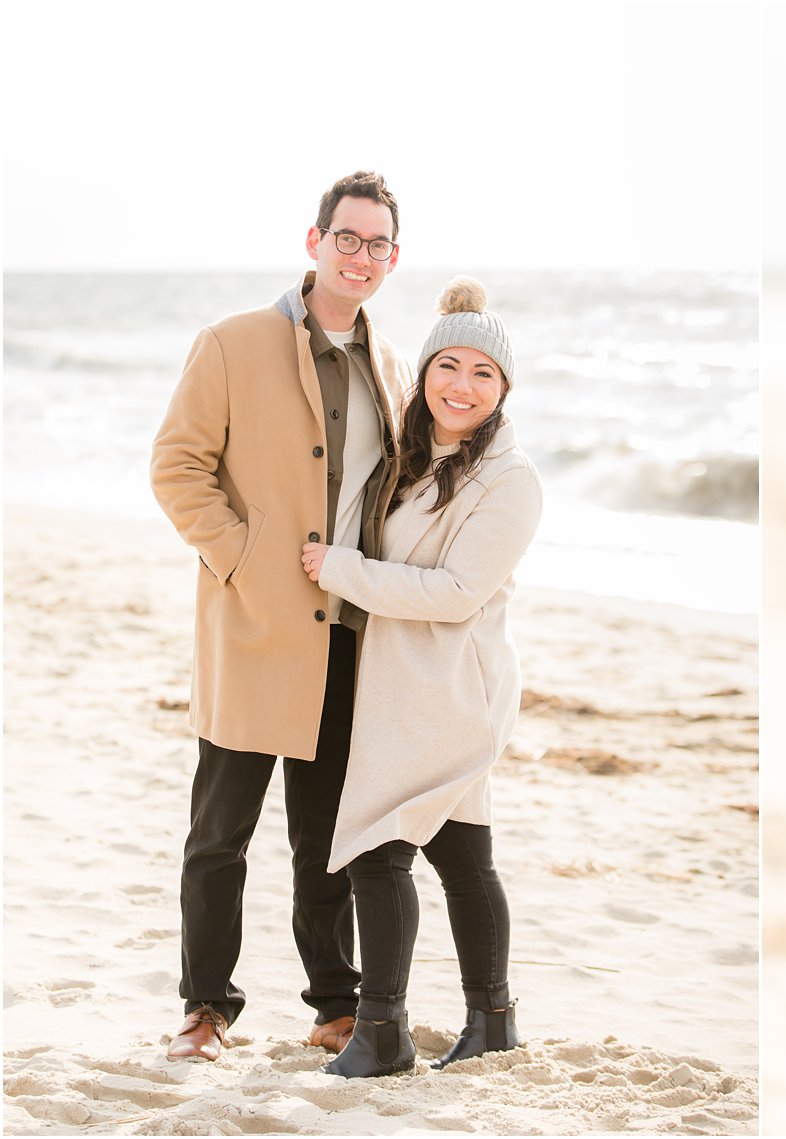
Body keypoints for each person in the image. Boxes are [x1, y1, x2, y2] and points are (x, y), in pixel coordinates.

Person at [150, 171, 409, 1062]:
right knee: (220, 832)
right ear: (314, 241)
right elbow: (177, 466)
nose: (361, 256)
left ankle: (335, 1003)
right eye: (348, 237)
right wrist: (240, 560)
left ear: (393, 257)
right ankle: (204, 1007)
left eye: (378, 244)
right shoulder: (232, 342)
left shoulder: (393, 364)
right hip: (256, 625)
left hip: (346, 633)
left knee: (325, 835)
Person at [298, 277, 543, 1078]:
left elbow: (454, 593)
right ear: (428, 369)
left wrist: (340, 570)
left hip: (449, 688)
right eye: (450, 366)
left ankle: (383, 1029)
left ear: (504, 390)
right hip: (408, 683)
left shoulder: (510, 480)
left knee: (378, 845)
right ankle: (493, 1018)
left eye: (483, 373)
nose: (461, 386)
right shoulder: (415, 457)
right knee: (464, 853)